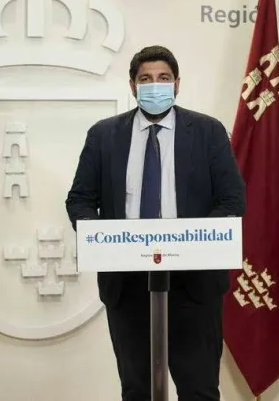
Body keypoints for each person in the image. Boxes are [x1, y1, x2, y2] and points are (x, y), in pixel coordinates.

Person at [65, 45, 246, 400]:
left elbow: (232, 200)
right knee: (137, 390)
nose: (154, 85)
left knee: (199, 391)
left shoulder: (208, 132)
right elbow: (80, 200)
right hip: (127, 284)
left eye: (163, 78)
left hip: (193, 286)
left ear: (177, 84)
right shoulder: (104, 135)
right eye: (145, 79)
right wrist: (99, 237)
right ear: (132, 86)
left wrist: (194, 244)